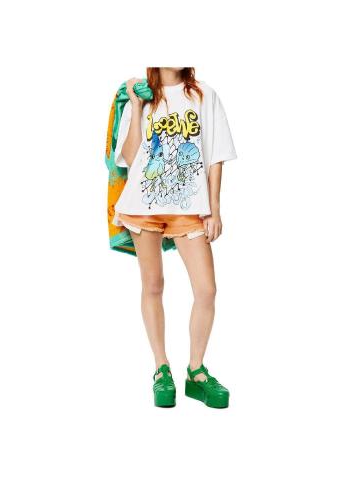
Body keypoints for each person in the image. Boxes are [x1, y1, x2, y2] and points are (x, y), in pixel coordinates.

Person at [112, 67, 237, 408]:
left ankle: (196, 372)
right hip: (144, 205)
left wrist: (214, 208)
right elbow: (132, 159)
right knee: (153, 285)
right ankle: (161, 368)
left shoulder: (204, 95)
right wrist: (136, 105)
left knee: (206, 290)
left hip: (188, 207)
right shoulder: (142, 95)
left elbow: (216, 156)